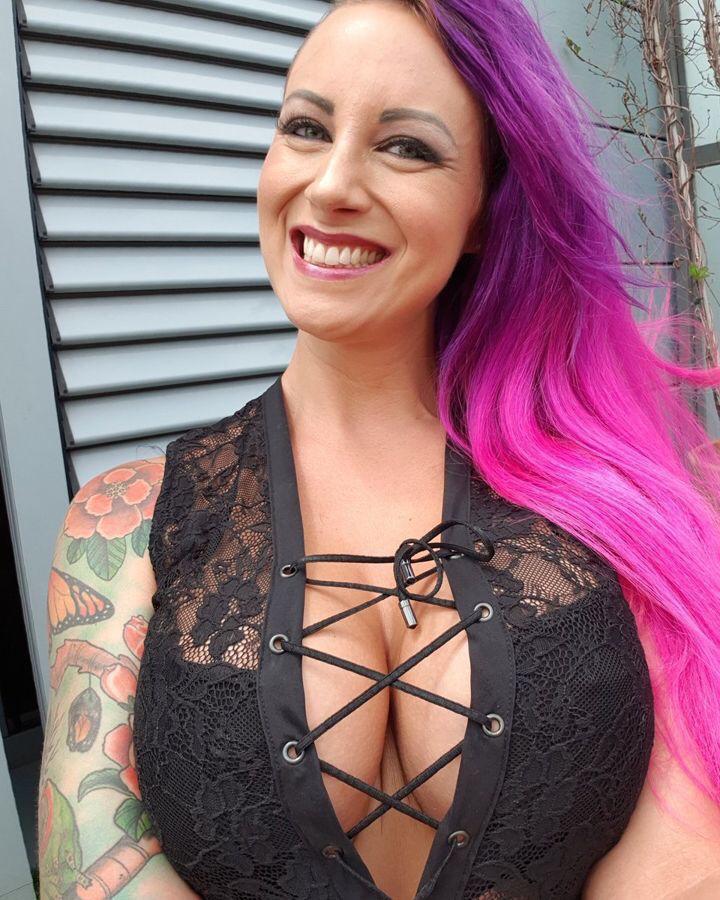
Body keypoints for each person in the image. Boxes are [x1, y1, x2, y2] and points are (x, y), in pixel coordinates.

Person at [39, 1, 720, 898]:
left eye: (406, 147)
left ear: (484, 211)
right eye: (306, 128)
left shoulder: (619, 504)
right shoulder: (125, 525)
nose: (331, 185)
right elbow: (90, 870)